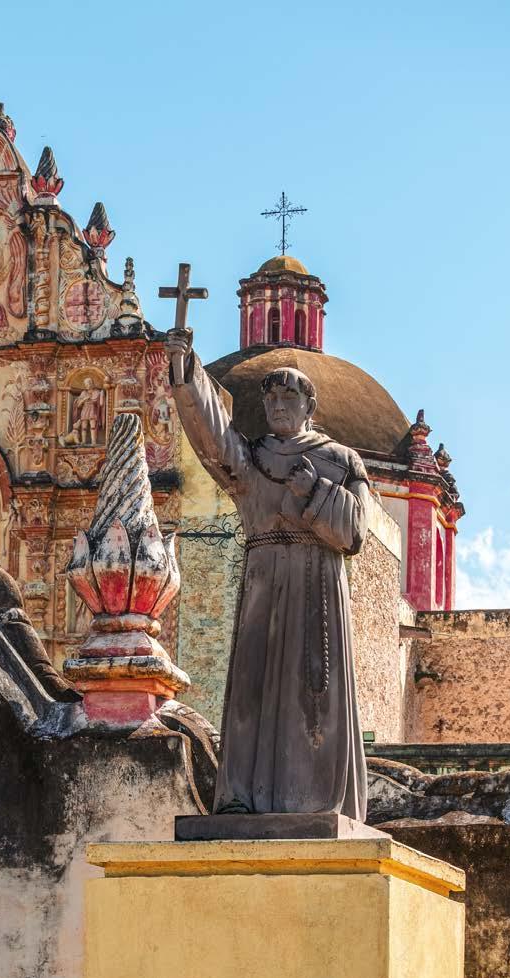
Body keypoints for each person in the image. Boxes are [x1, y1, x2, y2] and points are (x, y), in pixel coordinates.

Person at [165, 328, 371, 821]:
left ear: (309, 406)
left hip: (316, 583)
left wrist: (315, 491)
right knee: (251, 693)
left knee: (314, 693)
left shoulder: (342, 461)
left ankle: (314, 800)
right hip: (262, 580)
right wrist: (186, 371)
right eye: (272, 398)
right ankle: (244, 796)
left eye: (289, 397)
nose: (279, 405)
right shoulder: (251, 459)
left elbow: (356, 533)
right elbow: (213, 438)